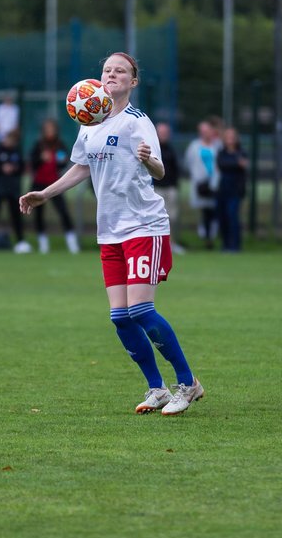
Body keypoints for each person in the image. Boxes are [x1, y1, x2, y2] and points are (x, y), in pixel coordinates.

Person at [19, 52, 204, 416]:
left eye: (120, 70)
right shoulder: (88, 120)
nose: (112, 74)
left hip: (143, 225)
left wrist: (148, 158)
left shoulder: (138, 121)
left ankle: (188, 384)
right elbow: (80, 167)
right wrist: (45, 193)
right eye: (107, 69)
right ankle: (157, 388)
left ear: (132, 82)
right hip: (110, 232)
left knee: (141, 309)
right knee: (120, 318)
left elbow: (160, 170)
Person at [27, 118, 80, 254]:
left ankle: (72, 243)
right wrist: (41, 158)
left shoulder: (59, 145)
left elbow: (66, 161)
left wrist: (59, 161)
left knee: (63, 212)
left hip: (55, 184)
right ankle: (43, 243)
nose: (50, 132)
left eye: (52, 129)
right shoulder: (38, 145)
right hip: (39, 184)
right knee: (38, 214)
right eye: (47, 129)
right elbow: (31, 162)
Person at [185, 120, 221, 249]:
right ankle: (206, 237)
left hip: (215, 183)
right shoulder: (194, 146)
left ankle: (213, 234)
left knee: (215, 210)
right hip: (201, 184)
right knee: (205, 210)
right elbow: (189, 163)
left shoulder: (217, 145)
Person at [151, 121, 184, 253]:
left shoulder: (171, 150)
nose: (164, 135)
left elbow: (176, 169)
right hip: (156, 188)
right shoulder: (152, 148)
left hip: (170, 187)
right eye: (162, 132)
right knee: (156, 218)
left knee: (172, 217)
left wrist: (175, 185)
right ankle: (157, 244)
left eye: (166, 132)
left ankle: (171, 243)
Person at [215, 127, 248, 253]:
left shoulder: (241, 152)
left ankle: (235, 245)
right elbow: (221, 164)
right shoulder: (221, 152)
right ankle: (225, 244)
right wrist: (236, 164)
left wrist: (232, 164)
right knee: (223, 217)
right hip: (223, 189)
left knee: (232, 216)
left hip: (236, 190)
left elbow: (243, 166)